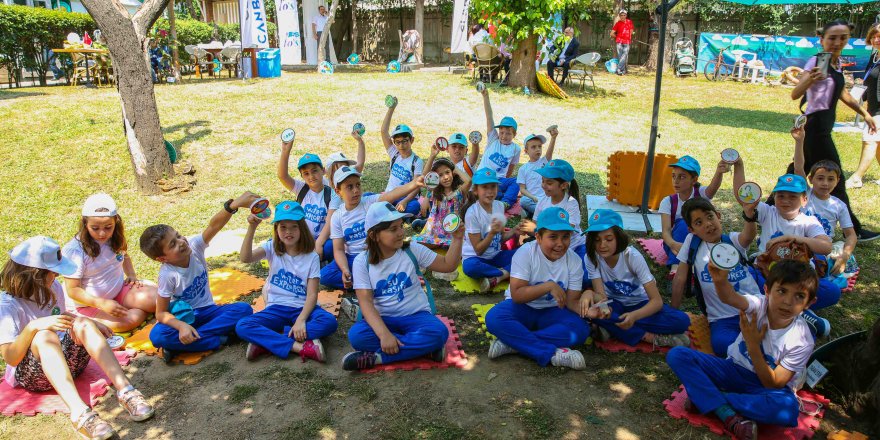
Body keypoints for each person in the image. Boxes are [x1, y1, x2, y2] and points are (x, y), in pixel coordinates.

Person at [1, 237, 154, 440]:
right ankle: (80, 414)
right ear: (35, 275)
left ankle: (126, 391)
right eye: (53, 272)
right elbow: (11, 358)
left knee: (82, 323)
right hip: (33, 375)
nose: (57, 276)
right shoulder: (7, 306)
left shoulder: (53, 287)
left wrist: (89, 322)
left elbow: (63, 316)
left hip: (68, 363)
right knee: (44, 335)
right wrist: (32, 327)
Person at [666, 260, 819, 440]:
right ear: (767, 290)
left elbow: (774, 383)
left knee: (787, 410)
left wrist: (753, 345)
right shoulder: (759, 305)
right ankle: (724, 411)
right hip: (731, 369)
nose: (787, 302)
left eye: (799, 296)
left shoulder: (802, 339)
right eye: (782, 291)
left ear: (810, 302)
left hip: (763, 387)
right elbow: (730, 297)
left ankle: (710, 399)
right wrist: (720, 280)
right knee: (678, 355)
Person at [342, 201, 464, 371]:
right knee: (357, 336)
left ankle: (378, 358)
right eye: (393, 229)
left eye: (400, 226)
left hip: (416, 316)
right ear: (374, 235)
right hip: (383, 319)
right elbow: (366, 302)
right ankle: (422, 350)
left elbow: (447, 265)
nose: (401, 232)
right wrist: (384, 334)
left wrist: (457, 239)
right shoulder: (362, 262)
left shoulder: (411, 250)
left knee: (439, 332)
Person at [139, 192, 258, 363]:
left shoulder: (195, 247)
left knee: (243, 309)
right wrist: (181, 326)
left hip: (208, 311)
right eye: (173, 244)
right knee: (157, 336)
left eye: (178, 236)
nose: (181, 242)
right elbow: (161, 313)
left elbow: (214, 226)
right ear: (162, 259)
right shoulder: (168, 275)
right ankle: (218, 339)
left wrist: (233, 206)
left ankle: (183, 344)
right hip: (184, 317)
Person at [791, 19, 879, 241]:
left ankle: (771, 209)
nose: (837, 42)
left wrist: (865, 114)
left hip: (822, 128)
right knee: (835, 178)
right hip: (816, 127)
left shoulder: (836, 63)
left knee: (795, 172)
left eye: (843, 37)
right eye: (832, 38)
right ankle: (855, 229)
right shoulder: (818, 60)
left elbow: (843, 94)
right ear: (822, 40)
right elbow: (795, 93)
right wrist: (809, 79)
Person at [734, 158, 838, 336]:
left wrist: (792, 237)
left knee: (832, 292)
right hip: (766, 272)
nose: (786, 201)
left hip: (798, 277)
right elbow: (743, 195)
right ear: (774, 197)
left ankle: (776, 311)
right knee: (743, 280)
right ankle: (799, 313)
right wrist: (739, 165)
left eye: (793, 196)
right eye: (781, 195)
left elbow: (825, 246)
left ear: (804, 200)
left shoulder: (808, 221)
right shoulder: (768, 212)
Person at [484, 207, 591, 370]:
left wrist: (589, 312)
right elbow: (518, 295)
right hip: (522, 308)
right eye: (553, 237)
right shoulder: (525, 253)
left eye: (565, 237)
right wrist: (548, 286)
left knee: (580, 330)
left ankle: (513, 343)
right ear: (539, 237)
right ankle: (551, 353)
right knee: (494, 318)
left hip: (552, 311)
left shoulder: (574, 261)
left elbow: (571, 302)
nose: (560, 244)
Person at [235, 201, 337, 362]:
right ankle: (299, 346)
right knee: (243, 326)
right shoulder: (271, 248)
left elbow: (312, 295)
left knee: (329, 322)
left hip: (302, 309)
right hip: (276, 308)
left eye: (294, 226)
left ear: (301, 229)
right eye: (283, 227)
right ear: (276, 229)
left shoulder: (311, 257)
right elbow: (245, 257)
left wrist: (301, 320)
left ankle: (266, 342)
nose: (288, 231)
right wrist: (252, 227)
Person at [583, 210, 692, 348]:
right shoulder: (591, 257)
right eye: (597, 240)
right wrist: (603, 308)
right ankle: (650, 337)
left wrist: (634, 316)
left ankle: (614, 329)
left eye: (608, 239)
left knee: (681, 321)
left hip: (641, 304)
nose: (602, 245)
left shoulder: (632, 257)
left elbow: (656, 302)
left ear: (619, 237)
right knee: (592, 313)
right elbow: (601, 297)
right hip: (614, 305)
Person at [670, 198, 762, 356]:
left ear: (718, 215)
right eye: (699, 223)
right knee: (721, 345)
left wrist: (749, 216)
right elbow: (680, 279)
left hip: (753, 309)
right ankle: (752, 356)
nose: (707, 224)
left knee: (779, 332)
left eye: (710, 217)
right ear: (691, 229)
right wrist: (673, 313)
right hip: (722, 319)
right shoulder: (692, 244)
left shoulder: (732, 240)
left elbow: (748, 235)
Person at [63, 193, 158, 332]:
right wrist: (101, 303)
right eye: (95, 228)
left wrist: (131, 274)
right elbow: (73, 290)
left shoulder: (115, 238)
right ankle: (136, 310)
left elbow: (124, 255)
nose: (102, 233)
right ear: (85, 223)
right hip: (89, 304)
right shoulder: (75, 251)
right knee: (127, 322)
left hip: (118, 291)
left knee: (158, 299)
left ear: (116, 222)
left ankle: (137, 307)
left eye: (108, 227)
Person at [321, 166, 426, 290]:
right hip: (352, 258)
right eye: (349, 187)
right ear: (338, 191)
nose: (356, 190)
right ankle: (380, 282)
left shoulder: (368, 202)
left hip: (374, 254)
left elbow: (391, 195)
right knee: (324, 276)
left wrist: (414, 184)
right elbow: (338, 250)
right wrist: (344, 270)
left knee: (385, 262)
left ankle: (370, 283)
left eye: (358, 185)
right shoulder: (337, 217)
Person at [792, 127, 857, 276]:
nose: (825, 183)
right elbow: (798, 167)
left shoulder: (839, 206)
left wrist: (845, 256)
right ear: (810, 179)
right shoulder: (806, 193)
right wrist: (799, 141)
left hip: (822, 248)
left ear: (837, 181)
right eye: (820, 178)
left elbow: (851, 235)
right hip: (800, 243)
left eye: (830, 179)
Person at [659, 156, 725, 275]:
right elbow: (666, 231)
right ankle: (675, 269)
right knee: (683, 223)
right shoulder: (667, 202)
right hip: (675, 245)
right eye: (674, 176)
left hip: (700, 240)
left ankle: (693, 267)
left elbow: (713, 188)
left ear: (694, 180)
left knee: (689, 222)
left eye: (682, 177)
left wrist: (719, 172)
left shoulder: (700, 194)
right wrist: (673, 244)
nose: (676, 181)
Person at [277, 144, 342, 263]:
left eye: (314, 171)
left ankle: (327, 262)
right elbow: (282, 176)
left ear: (323, 171)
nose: (311, 176)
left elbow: (329, 223)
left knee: (333, 244)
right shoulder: (301, 189)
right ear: (302, 176)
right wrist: (285, 151)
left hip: (323, 238)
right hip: (302, 237)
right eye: (306, 173)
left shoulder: (332, 193)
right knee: (275, 242)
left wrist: (318, 244)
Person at [462, 168, 523, 291]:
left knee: (526, 254)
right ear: (475, 191)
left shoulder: (499, 206)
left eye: (493, 187)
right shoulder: (472, 213)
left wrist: (514, 230)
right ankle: (506, 273)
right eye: (485, 187)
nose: (490, 192)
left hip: (496, 256)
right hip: (476, 258)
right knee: (470, 267)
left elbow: (500, 239)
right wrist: (491, 233)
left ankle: (498, 276)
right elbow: (478, 250)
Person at [413, 153, 472, 253]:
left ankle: (442, 244)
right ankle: (426, 228)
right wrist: (431, 156)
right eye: (440, 175)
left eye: (447, 172)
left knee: (463, 250)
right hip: (435, 231)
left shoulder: (459, 192)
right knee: (417, 246)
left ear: (452, 173)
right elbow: (425, 177)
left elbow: (469, 181)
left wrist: (456, 169)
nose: (445, 177)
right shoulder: (434, 191)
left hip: (454, 231)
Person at [846, 24, 880, 189]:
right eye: (874, 36)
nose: (876, 39)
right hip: (873, 106)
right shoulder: (875, 57)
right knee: (877, 142)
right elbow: (870, 80)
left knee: (869, 139)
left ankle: (857, 178)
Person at [477, 87, 521, 208]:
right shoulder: (493, 139)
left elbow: (511, 167)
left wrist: (505, 180)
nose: (504, 136)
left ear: (514, 134)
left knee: (517, 181)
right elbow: (489, 117)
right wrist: (485, 96)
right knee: (486, 191)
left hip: (498, 181)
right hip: (483, 177)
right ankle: (495, 196)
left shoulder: (516, 149)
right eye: (501, 132)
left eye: (508, 133)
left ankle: (504, 203)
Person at [381, 97, 424, 216]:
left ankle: (390, 211)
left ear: (412, 140)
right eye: (398, 142)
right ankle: (394, 211)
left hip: (405, 197)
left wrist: (405, 201)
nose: (401, 145)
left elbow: (417, 186)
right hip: (389, 195)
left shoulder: (416, 161)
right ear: (394, 143)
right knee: (367, 197)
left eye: (405, 141)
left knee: (414, 206)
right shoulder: (394, 154)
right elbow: (384, 132)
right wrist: (391, 108)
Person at [516, 128, 557, 218]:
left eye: (540, 146)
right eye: (533, 147)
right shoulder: (523, 169)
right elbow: (522, 189)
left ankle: (531, 213)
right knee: (523, 201)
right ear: (526, 151)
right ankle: (543, 214)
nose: (538, 149)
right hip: (532, 199)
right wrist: (533, 197)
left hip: (546, 198)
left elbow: (550, 152)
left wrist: (553, 138)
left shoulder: (544, 162)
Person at [610, 10, 634, 75]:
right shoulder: (618, 23)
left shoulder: (629, 22)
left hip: (627, 42)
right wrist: (617, 36)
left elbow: (631, 32)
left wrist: (627, 36)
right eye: (621, 15)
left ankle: (618, 69)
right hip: (619, 42)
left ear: (626, 15)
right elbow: (611, 33)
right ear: (619, 16)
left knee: (624, 56)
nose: (623, 16)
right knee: (621, 57)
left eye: (624, 15)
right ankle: (622, 71)